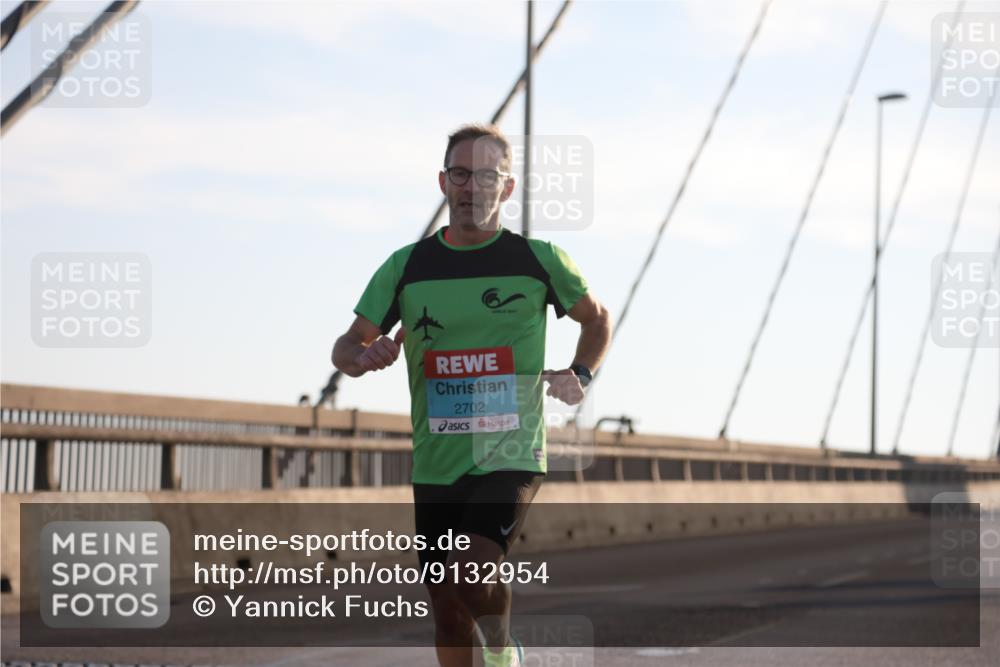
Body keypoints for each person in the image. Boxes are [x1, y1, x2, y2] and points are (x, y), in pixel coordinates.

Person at [331, 123, 612, 667]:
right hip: (437, 460)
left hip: (511, 452)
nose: (471, 188)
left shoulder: (538, 260)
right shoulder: (407, 267)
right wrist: (361, 358)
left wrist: (581, 372)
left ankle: (503, 653)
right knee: (448, 611)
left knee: (471, 576)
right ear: (443, 182)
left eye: (486, 176)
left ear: (507, 187)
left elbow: (597, 318)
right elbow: (346, 345)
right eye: (460, 174)